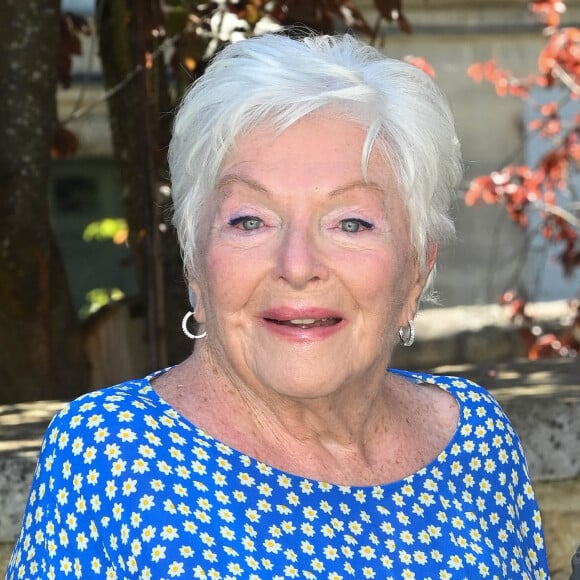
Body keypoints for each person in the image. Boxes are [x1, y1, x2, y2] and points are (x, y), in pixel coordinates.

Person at [8, 32, 549, 579]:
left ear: (417, 270)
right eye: (250, 221)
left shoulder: (474, 438)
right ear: (195, 261)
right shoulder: (110, 458)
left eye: (351, 222)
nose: (296, 264)